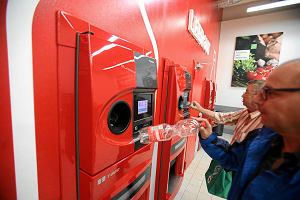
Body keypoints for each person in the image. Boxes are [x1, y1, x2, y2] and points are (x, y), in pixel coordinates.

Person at [195, 59, 300, 200]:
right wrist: (209, 139)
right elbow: (233, 159)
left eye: (269, 93)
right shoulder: (262, 137)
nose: (258, 101)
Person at [190, 80, 265, 144]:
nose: (242, 95)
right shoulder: (245, 112)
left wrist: (208, 138)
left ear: (258, 97)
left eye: (246, 92)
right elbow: (221, 117)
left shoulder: (266, 124)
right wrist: (200, 109)